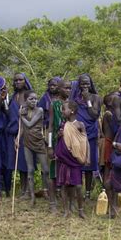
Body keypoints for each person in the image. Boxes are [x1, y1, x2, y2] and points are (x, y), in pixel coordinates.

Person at [18, 91, 53, 209]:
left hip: (38, 141)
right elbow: (23, 127)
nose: (34, 101)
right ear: (26, 100)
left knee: (45, 169)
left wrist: (21, 116)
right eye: (31, 99)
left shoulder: (40, 110)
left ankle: (46, 190)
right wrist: (17, 139)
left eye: (35, 99)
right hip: (27, 142)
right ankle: (32, 196)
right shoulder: (24, 110)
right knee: (30, 169)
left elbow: (29, 124)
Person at [55, 101, 89, 218]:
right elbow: (60, 141)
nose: (62, 111)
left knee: (78, 186)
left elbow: (85, 141)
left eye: (64, 109)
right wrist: (58, 136)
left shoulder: (80, 125)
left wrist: (87, 156)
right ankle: (66, 210)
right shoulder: (63, 125)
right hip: (64, 159)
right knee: (64, 185)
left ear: (72, 111)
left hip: (75, 159)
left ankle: (80, 210)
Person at [70, 74, 101, 201]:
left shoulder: (96, 98)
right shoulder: (75, 99)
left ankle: (88, 193)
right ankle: (78, 191)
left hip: (91, 135)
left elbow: (94, 115)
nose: (85, 86)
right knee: (77, 163)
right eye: (83, 83)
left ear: (91, 84)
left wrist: (88, 100)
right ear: (79, 84)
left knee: (89, 166)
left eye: (87, 83)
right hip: (77, 134)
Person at [48, 79, 71, 208]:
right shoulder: (54, 104)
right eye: (65, 88)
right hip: (57, 142)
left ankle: (67, 202)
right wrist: (50, 146)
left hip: (70, 143)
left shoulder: (72, 104)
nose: (68, 90)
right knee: (53, 172)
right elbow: (50, 126)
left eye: (70, 88)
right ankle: (52, 202)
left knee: (68, 171)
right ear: (59, 89)